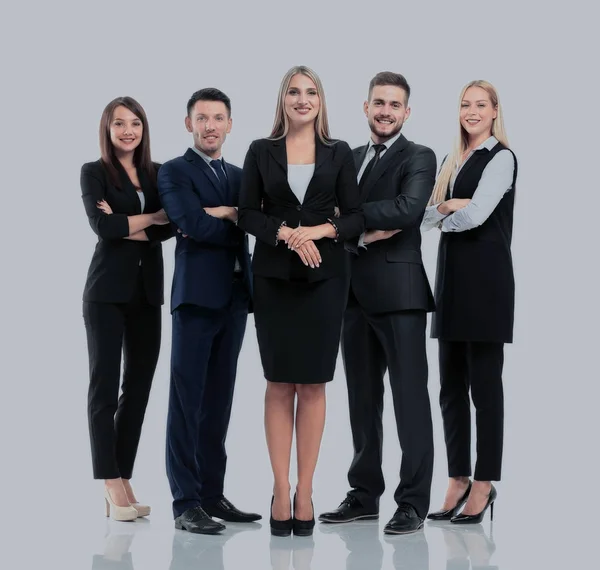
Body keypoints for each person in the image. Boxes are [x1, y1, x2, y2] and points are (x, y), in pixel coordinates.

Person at [237, 65, 364, 537]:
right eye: (294, 91)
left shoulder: (339, 153)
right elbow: (248, 213)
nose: (302, 99)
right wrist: (287, 234)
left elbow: (354, 217)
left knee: (312, 385)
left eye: (311, 91)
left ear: (321, 100)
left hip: (326, 279)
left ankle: (305, 491)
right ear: (282, 99)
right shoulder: (260, 150)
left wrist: (320, 230)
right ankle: (278, 486)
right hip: (273, 279)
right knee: (277, 383)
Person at [318, 71, 437, 535]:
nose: (385, 111)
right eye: (378, 103)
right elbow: (323, 210)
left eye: (394, 105)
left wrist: (349, 222)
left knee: (410, 401)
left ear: (405, 113)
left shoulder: (419, 156)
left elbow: (408, 210)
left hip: (400, 296)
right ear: (366, 107)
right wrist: (363, 226)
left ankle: (412, 502)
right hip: (351, 295)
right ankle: (364, 495)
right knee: (362, 401)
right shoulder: (347, 156)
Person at [158, 88, 260, 535]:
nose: (210, 126)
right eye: (202, 118)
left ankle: (212, 494)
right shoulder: (173, 171)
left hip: (236, 300)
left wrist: (231, 213)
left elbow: (256, 221)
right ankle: (185, 501)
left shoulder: (241, 175)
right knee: (186, 401)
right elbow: (193, 224)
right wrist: (233, 217)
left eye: (218, 118)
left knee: (218, 402)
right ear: (189, 124)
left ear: (230, 124)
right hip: (196, 300)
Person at [422, 80, 517, 524]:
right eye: (465, 104)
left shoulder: (502, 158)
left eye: (481, 105)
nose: (472, 111)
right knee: (449, 390)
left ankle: (485, 482)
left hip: (487, 285)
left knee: (485, 388)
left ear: (495, 111)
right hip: (451, 284)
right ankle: (457, 477)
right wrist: (445, 209)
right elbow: (423, 215)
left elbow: (477, 214)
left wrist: (448, 212)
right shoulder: (450, 159)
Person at [80, 96, 173, 521]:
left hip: (147, 293)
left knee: (136, 389)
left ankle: (124, 475)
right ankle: (109, 482)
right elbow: (104, 228)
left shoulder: (156, 175)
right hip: (105, 293)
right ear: (108, 129)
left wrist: (135, 222)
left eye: (135, 123)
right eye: (119, 124)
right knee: (104, 388)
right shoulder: (94, 172)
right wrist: (149, 219)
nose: (128, 131)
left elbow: (169, 226)